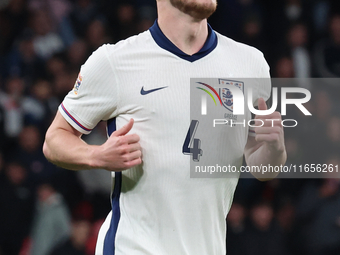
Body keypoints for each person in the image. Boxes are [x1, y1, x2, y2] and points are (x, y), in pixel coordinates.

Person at [43, 0, 286, 254]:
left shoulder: (249, 64)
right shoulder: (114, 62)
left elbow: (262, 167)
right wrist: (97, 155)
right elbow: (54, 140)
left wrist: (274, 147)